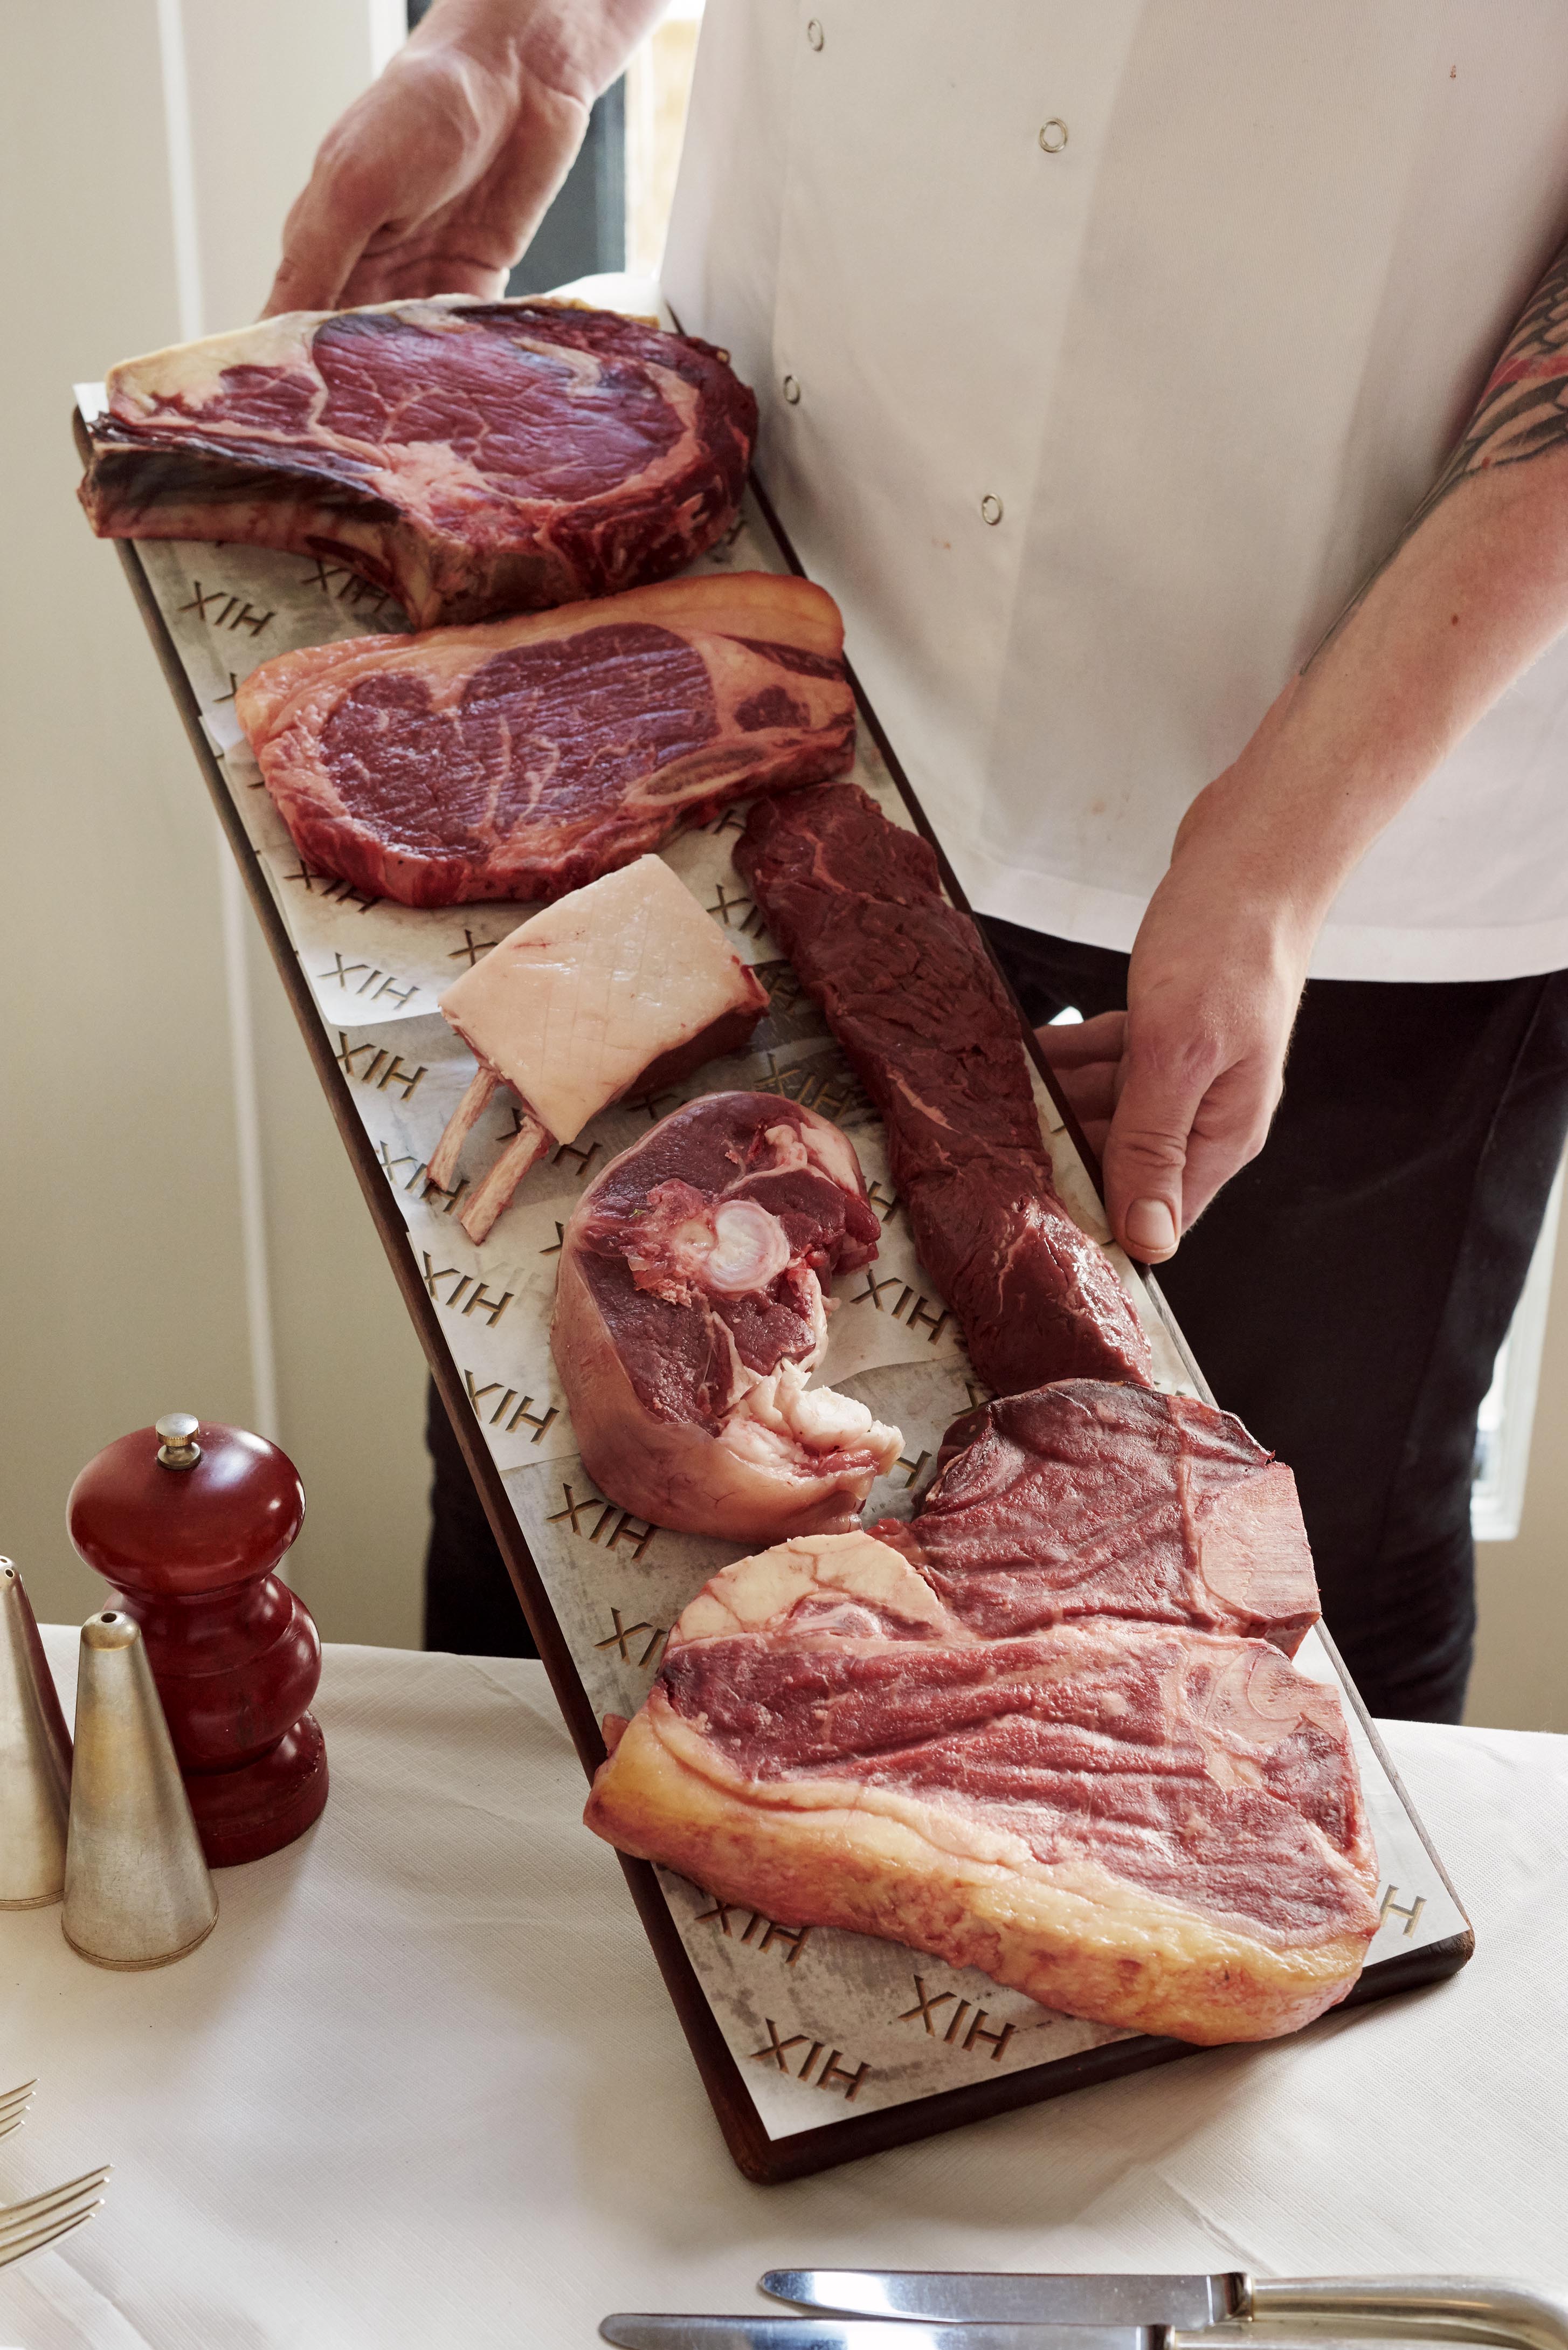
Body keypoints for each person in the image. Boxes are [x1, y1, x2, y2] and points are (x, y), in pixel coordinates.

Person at [268, 0, 1568, 1720]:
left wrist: (1277, 852)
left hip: (1366, 792)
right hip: (751, 631)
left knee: (1239, 1629)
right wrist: (529, 36)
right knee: (576, 1554)